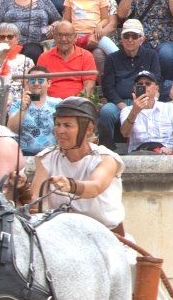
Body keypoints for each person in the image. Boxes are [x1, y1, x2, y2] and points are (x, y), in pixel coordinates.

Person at [29, 96, 125, 229]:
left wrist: (71, 185)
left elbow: (95, 187)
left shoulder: (106, 158)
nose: (60, 130)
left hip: (106, 234)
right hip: (62, 235)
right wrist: (19, 191)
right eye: (57, 124)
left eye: (67, 125)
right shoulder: (46, 158)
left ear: (88, 130)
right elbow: (35, 204)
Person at [118, 71, 173, 154]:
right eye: (140, 84)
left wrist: (172, 150)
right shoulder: (127, 110)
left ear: (156, 88)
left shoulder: (171, 108)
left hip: (165, 155)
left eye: (148, 83)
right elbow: (125, 133)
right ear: (134, 89)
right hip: (139, 154)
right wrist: (134, 112)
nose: (144, 86)